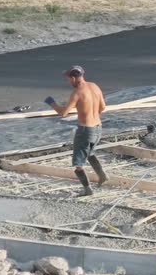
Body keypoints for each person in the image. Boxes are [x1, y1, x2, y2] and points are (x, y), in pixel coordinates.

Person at [44, 65, 109, 196]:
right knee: (90, 153)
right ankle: (103, 177)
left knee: (78, 162)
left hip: (85, 130)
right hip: (98, 127)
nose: (69, 81)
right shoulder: (95, 86)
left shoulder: (77, 92)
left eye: (69, 79)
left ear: (73, 78)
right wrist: (89, 113)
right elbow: (102, 107)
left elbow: (63, 113)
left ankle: (87, 189)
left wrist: (51, 103)